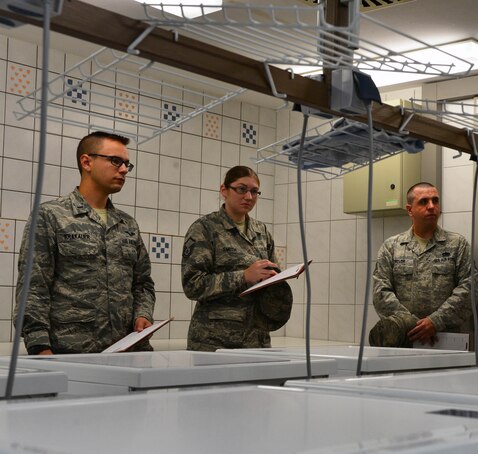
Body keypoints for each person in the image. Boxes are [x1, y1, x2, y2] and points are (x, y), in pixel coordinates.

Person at [15, 131, 155, 355]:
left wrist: (143, 314)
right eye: (115, 161)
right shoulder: (51, 216)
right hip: (72, 353)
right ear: (87, 162)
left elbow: (143, 284)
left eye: (127, 164)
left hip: (128, 353)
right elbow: (33, 288)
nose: (123, 170)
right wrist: (40, 347)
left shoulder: (127, 224)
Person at [182, 165, 292, 351]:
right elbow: (193, 285)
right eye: (241, 189)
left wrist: (278, 278)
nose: (248, 197)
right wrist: (244, 276)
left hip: (256, 340)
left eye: (254, 191)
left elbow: (270, 274)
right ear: (224, 190)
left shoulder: (261, 231)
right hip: (214, 342)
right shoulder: (204, 228)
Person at [371, 182, 477, 347]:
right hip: (404, 339)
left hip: (446, 340)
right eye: (424, 201)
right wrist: (413, 325)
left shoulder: (458, 245)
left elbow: (469, 290)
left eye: (435, 201)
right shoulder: (391, 247)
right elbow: (381, 293)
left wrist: (435, 322)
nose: (431, 206)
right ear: (409, 209)